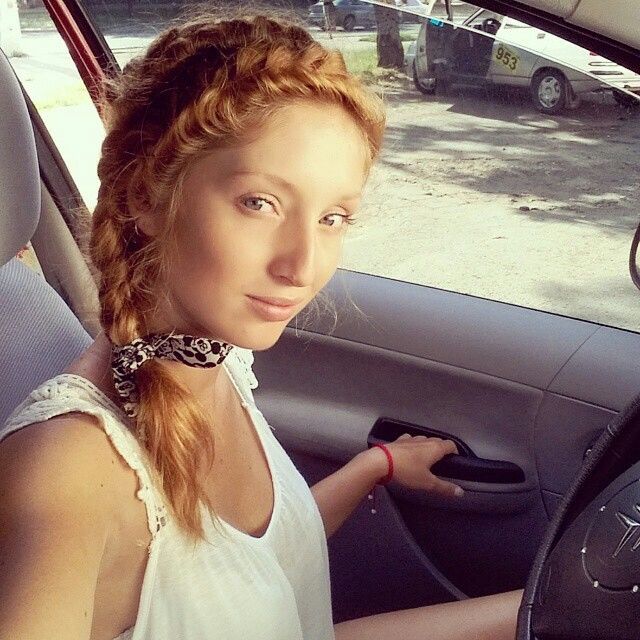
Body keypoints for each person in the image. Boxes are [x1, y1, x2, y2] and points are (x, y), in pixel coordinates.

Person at [0, 8, 522, 640]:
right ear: (146, 195)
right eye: (260, 203)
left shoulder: (214, 363)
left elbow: (249, 571)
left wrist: (374, 467)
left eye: (332, 218)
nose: (302, 266)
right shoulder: (67, 471)